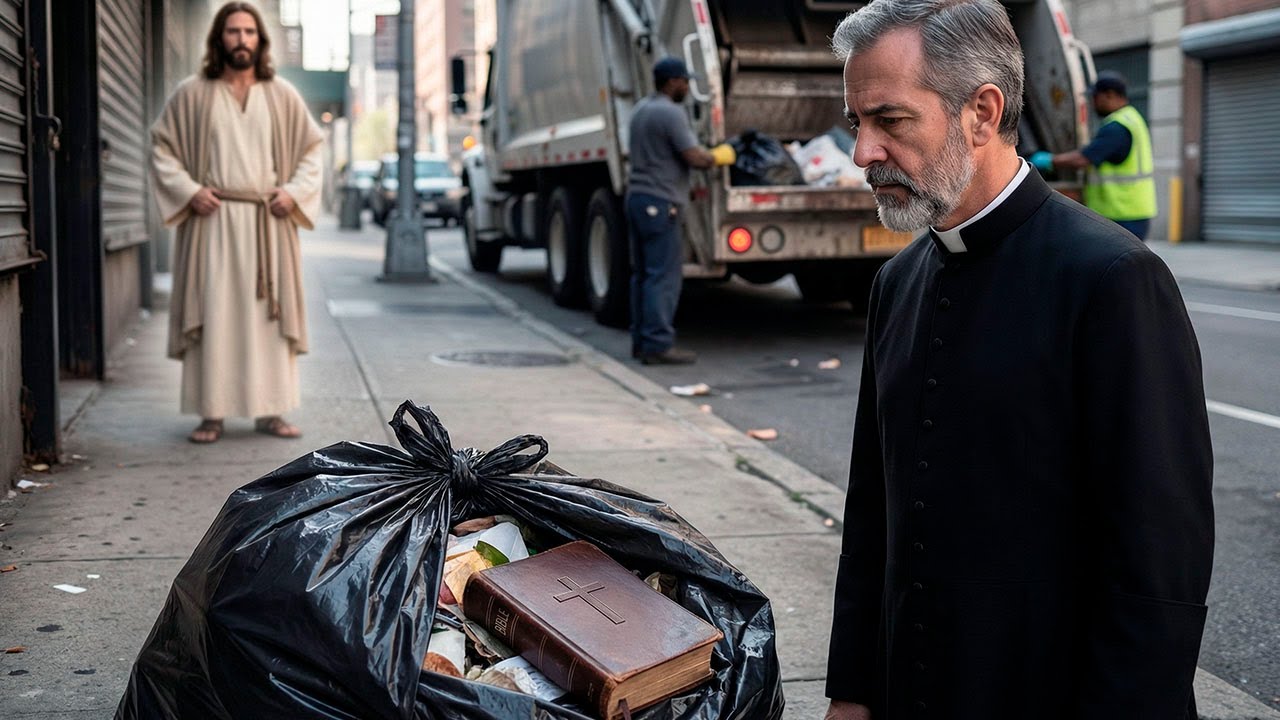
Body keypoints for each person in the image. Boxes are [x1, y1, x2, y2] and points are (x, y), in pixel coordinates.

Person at [824, 2, 1213, 719]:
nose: (863, 153)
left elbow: (1158, 560)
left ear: (982, 111)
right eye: (857, 124)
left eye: (890, 120)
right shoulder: (896, 284)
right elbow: (872, 511)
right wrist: (851, 688)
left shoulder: (1112, 279)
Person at [151, 2, 324, 443]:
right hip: (212, 223)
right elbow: (163, 149)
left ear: (260, 41)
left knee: (268, 318)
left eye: (249, 32)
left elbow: (311, 151)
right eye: (233, 31)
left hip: (268, 221)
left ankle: (271, 411)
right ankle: (212, 413)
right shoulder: (193, 93)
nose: (242, 39)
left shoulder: (281, 94)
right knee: (215, 313)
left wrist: (292, 192)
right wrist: (191, 191)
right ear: (219, 38)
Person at [626, 57, 736, 365]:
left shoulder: (640, 110)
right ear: (671, 81)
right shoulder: (669, 112)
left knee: (643, 275)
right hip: (661, 203)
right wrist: (721, 155)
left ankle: (642, 342)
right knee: (663, 276)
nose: (687, 86)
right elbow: (694, 157)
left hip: (638, 199)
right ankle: (659, 344)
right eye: (684, 81)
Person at [1031, 70, 1157, 239]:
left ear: (1110, 95)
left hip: (1122, 214)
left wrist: (1048, 160)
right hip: (1131, 212)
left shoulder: (1117, 127)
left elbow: (1083, 158)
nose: (1093, 103)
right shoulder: (1132, 118)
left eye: (1096, 97)